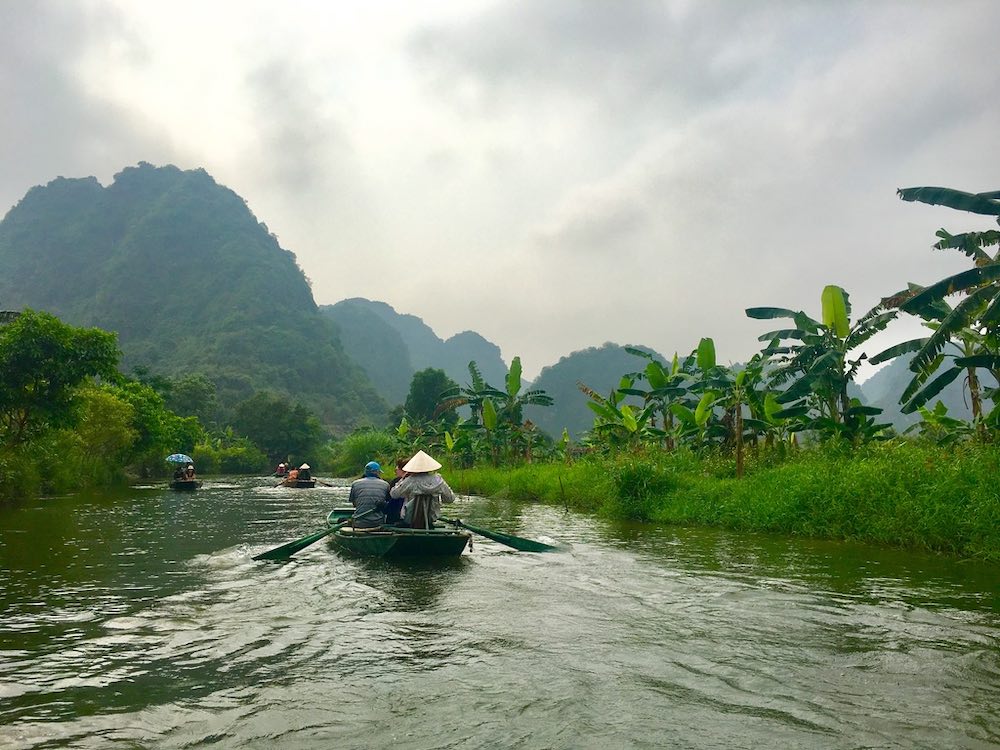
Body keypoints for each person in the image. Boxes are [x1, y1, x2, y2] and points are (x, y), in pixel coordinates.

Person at [389, 450, 455, 529]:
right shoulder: (438, 480)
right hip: (430, 520)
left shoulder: (410, 480)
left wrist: (403, 478)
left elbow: (394, 494)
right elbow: (450, 499)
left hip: (409, 521)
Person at [348, 461, 389, 528]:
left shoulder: (355, 483)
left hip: (359, 522)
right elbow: (386, 505)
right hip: (378, 523)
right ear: (377, 472)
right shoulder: (386, 484)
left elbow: (354, 504)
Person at [385, 458, 408, 524]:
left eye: (396, 470)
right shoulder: (433, 482)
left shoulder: (401, 481)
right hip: (423, 517)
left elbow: (393, 495)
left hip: (402, 517)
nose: (395, 472)